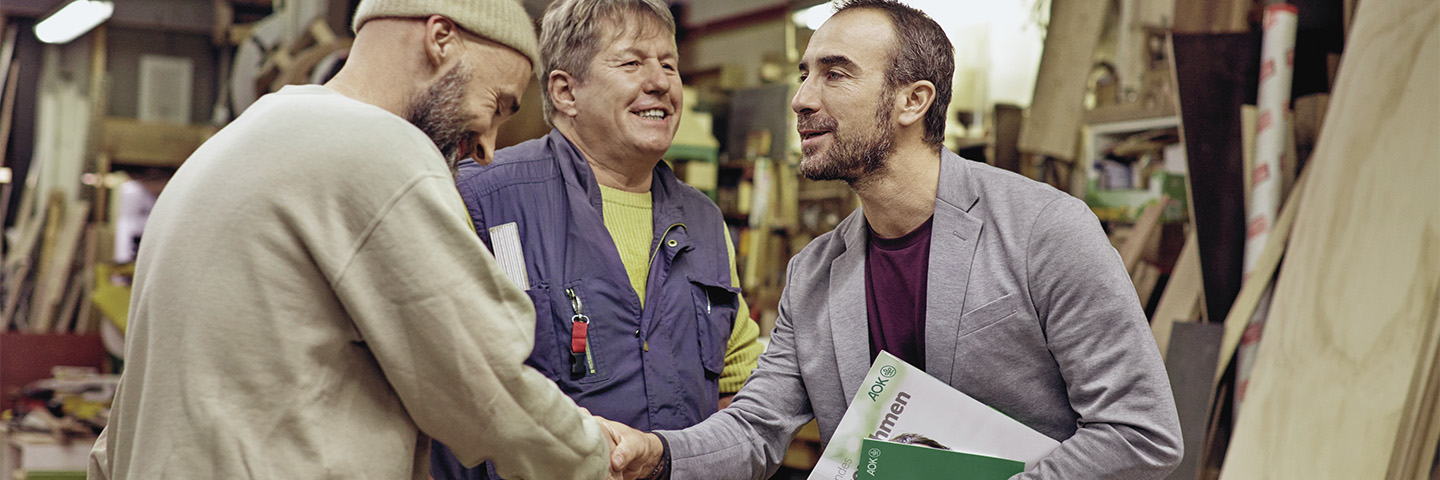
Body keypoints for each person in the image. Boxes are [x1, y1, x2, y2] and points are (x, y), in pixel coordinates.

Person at [606, 1, 1183, 479]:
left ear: (914, 100)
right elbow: (755, 426)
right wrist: (659, 452)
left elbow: (1139, 432)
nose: (802, 99)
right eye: (805, 73)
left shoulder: (1044, 230)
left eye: (835, 73)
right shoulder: (812, 274)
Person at [86, 1, 622, 479]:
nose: (487, 146)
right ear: (441, 39)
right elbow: (482, 381)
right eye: (499, 104)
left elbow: (123, 426)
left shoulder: (234, 145)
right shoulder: (380, 151)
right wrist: (595, 456)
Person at [431, 1, 763, 478]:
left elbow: (738, 384)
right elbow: (431, 383)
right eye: (631, 62)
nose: (661, 81)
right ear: (565, 91)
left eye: (669, 64)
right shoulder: (481, 198)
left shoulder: (702, 221)